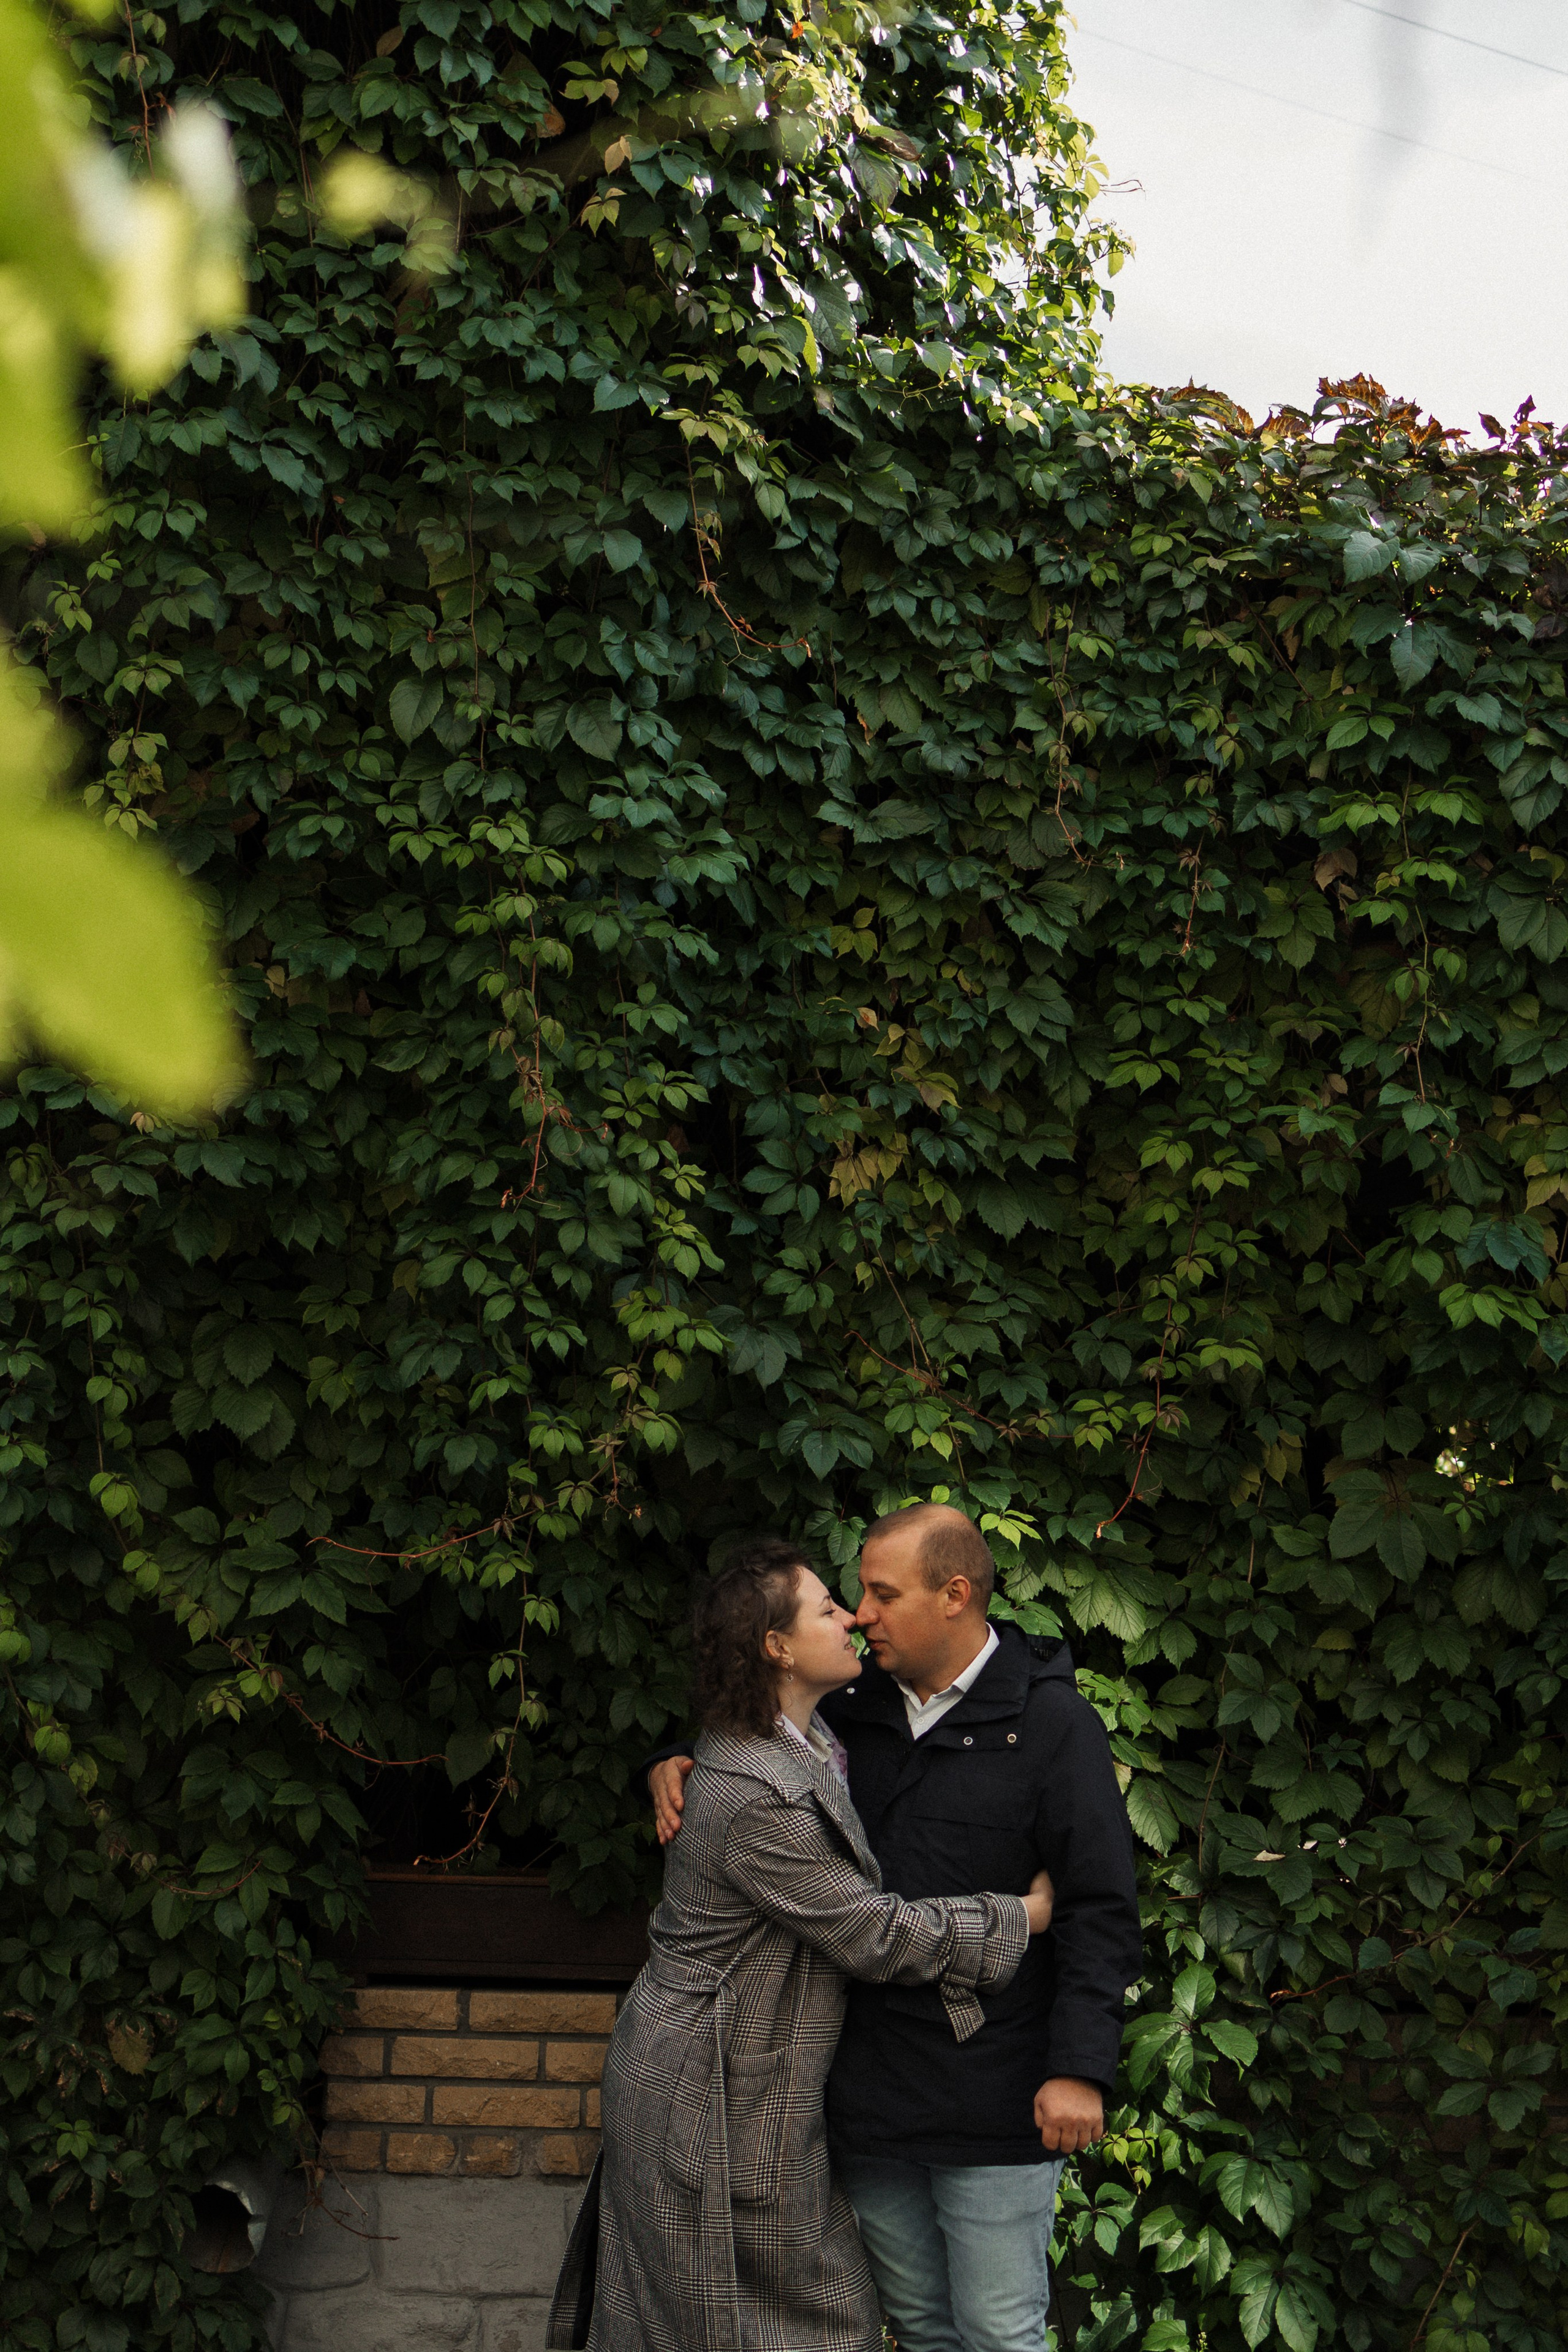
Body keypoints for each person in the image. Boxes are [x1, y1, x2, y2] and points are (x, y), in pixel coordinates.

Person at [647, 1504, 1144, 2352]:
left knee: (998, 2333)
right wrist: (669, 1761)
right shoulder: (849, 1705)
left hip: (994, 2094)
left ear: (954, 1595)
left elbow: (1100, 1908)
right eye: (856, 1595)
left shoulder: (1053, 1725)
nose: (861, 1613)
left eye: (883, 1594)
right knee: (917, 2330)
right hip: (866, 2094)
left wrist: (1080, 2069)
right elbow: (751, 1740)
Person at [557, 1543, 1057, 2352]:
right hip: (709, 2091)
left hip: (740, 2076)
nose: (853, 1617)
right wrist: (1021, 1916)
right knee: (789, 2324)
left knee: (754, 2320)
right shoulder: (761, 1796)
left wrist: (663, 1761)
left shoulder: (809, 1736)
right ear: (777, 1647)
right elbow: (876, 1935)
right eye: (828, 1609)